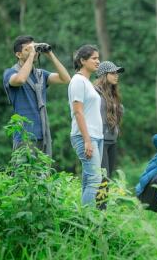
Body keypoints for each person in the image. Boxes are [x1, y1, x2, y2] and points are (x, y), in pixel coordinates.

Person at [3, 35, 71, 156]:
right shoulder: (10, 73)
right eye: (27, 49)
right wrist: (31, 55)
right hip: (24, 136)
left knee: (44, 174)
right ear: (18, 54)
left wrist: (50, 54)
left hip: (43, 134)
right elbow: (21, 80)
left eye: (34, 48)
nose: (33, 52)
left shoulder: (41, 75)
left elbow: (65, 79)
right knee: (24, 174)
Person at [68, 44, 103, 206]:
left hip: (96, 137)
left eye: (98, 58)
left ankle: (81, 220)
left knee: (89, 179)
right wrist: (87, 140)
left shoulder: (88, 82)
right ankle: (87, 220)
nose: (98, 61)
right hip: (85, 137)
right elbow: (78, 112)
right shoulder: (77, 81)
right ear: (83, 60)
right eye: (94, 58)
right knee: (96, 179)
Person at [93, 61, 125, 209]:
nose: (116, 76)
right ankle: (99, 212)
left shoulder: (113, 94)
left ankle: (102, 211)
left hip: (112, 140)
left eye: (117, 73)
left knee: (108, 177)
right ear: (103, 75)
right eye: (113, 73)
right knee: (102, 178)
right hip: (100, 140)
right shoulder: (94, 92)